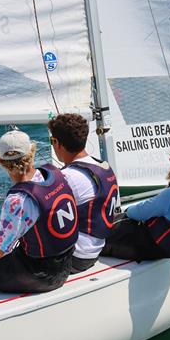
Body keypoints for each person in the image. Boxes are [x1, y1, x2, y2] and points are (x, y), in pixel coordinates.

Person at [0, 129, 78, 297]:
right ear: (32, 152)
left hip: (42, 275)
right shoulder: (55, 174)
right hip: (67, 263)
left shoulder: (18, 200)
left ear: (0, 161)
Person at [48, 113, 119, 274]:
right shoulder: (104, 166)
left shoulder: (68, 177)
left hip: (75, 257)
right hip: (95, 249)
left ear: (57, 143)